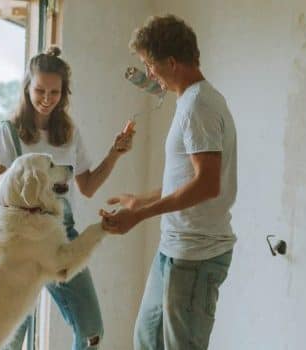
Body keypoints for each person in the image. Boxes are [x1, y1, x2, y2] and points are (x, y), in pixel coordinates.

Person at [100, 15, 238, 350]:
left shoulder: (199, 107)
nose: (149, 74)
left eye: (150, 65)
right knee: (146, 341)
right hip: (173, 250)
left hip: (195, 256)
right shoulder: (191, 102)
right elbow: (188, 180)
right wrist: (141, 202)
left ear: (172, 63)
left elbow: (207, 185)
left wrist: (140, 217)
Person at [0, 46, 135, 350]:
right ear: (27, 88)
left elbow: (88, 186)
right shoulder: (10, 131)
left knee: (92, 331)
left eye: (55, 92)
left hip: (61, 237)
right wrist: (24, 172)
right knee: (11, 339)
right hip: (19, 245)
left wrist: (115, 153)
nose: (46, 98)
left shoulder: (68, 133)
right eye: (40, 90)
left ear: (63, 93)